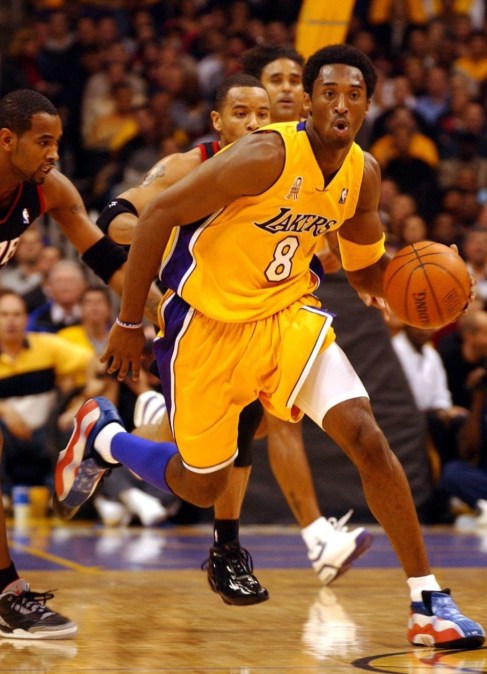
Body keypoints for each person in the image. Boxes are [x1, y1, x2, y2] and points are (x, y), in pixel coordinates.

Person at [54, 45, 485, 649]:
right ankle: (105, 438)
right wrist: (128, 322)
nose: (341, 105)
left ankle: (427, 600)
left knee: (367, 437)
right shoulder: (265, 154)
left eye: (354, 95)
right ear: (308, 102)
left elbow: (367, 269)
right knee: (202, 485)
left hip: (287, 317)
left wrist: (439, 289)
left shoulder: (363, 173)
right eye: (328, 93)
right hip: (207, 326)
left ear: (369, 105)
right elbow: (156, 218)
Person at [98, 70, 371, 606]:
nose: (255, 122)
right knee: (213, 462)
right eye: (243, 112)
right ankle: (119, 437)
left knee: (270, 421)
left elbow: (330, 238)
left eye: (264, 112)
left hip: (266, 312)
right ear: (218, 120)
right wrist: (177, 235)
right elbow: (118, 216)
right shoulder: (194, 164)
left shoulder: (295, 162)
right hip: (195, 315)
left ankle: (244, 544)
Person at [0, 87, 160, 639]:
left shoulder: (49, 189)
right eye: (42, 142)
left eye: (58, 142)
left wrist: (157, 315)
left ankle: (6, 594)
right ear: (7, 140)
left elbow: (107, 259)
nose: (54, 154)